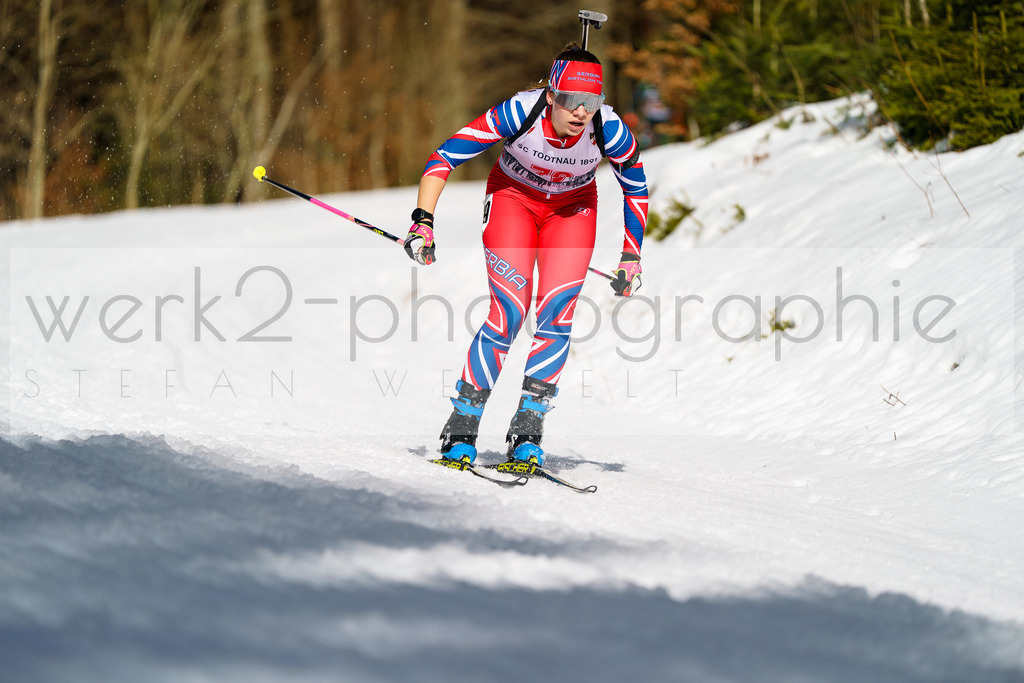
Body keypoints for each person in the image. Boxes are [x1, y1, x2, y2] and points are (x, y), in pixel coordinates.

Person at [404, 43, 648, 468]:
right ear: (551, 95)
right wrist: (422, 220)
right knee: (510, 310)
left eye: (591, 103)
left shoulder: (609, 129)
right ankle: (463, 423)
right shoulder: (521, 112)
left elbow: (636, 188)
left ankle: (528, 429)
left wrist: (632, 255)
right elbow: (444, 157)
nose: (581, 112)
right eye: (571, 101)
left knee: (557, 312)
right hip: (512, 200)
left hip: (572, 210)